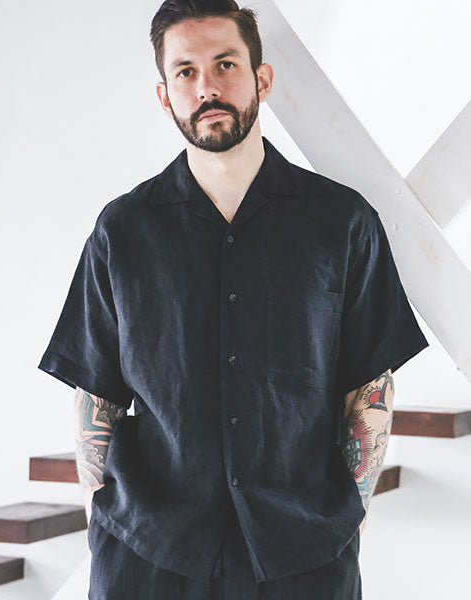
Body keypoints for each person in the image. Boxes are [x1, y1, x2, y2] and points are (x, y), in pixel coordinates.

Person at [37, 0, 430, 598]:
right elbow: (96, 396)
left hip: (304, 556)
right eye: (186, 71)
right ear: (165, 96)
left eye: (225, 65)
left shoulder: (342, 222)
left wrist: (350, 519)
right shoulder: (123, 231)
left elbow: (368, 389)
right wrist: (101, 518)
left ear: (261, 79)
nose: (207, 88)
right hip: (149, 556)